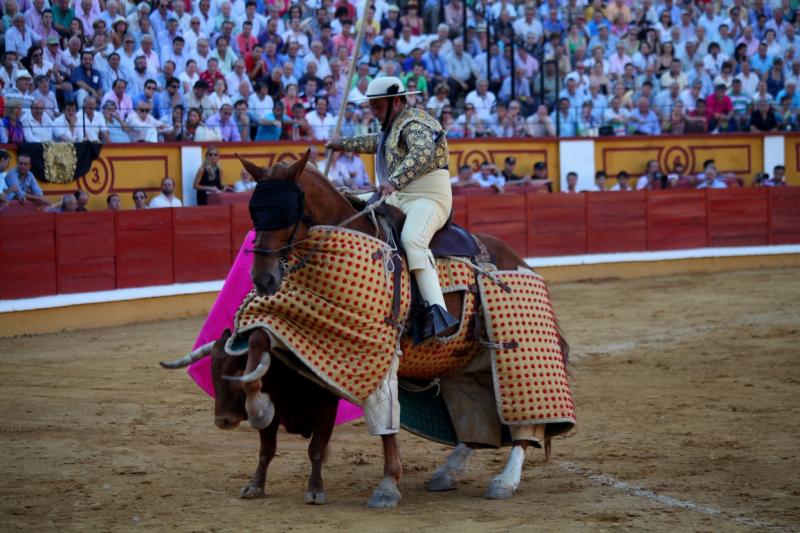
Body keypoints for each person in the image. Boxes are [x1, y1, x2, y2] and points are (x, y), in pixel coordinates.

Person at [326, 76, 459, 344]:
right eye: (372, 107)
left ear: (396, 101)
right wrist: (342, 143)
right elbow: (375, 141)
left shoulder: (416, 121)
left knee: (413, 239)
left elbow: (421, 152)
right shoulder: (392, 128)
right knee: (349, 203)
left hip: (428, 197)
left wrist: (394, 181)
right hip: (398, 195)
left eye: (377, 107)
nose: (373, 113)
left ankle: (439, 314)